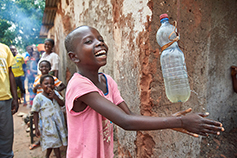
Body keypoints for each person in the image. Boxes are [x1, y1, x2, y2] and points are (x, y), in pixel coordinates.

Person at [64, 25, 225, 158]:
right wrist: (181, 122)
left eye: (100, 39)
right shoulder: (78, 85)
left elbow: (130, 115)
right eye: (88, 41)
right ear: (74, 57)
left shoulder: (107, 81)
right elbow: (125, 121)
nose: (99, 43)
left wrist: (169, 121)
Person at [29, 60, 66, 150]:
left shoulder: (52, 79)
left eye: (46, 67)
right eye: (42, 67)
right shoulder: (38, 79)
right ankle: (43, 141)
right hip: (42, 105)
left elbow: (62, 86)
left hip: (53, 108)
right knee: (45, 128)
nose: (44, 68)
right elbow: (35, 112)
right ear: (39, 68)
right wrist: (36, 87)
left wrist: (56, 91)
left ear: (50, 68)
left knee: (56, 129)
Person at [0, 43, 19, 157]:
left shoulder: (4, 48)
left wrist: (15, 97)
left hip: (5, 99)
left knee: (6, 135)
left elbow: (10, 72)